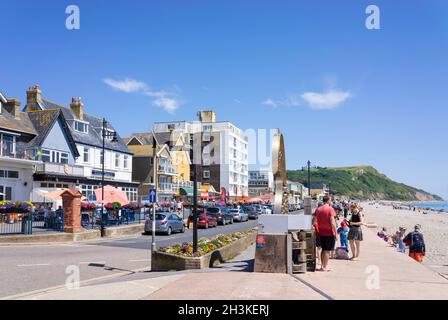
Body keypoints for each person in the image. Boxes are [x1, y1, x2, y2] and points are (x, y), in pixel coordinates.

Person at [312, 195, 337, 271]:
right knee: (327, 250)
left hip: (320, 232)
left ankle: (322, 266)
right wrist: (335, 233)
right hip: (329, 233)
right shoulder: (330, 209)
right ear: (328, 200)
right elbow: (333, 223)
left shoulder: (318, 209)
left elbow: (313, 221)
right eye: (331, 200)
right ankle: (325, 267)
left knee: (323, 250)